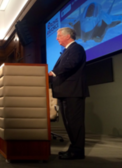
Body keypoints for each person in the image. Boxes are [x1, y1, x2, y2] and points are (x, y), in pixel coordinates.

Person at [48, 27, 89, 160]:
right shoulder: (67, 50)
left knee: (75, 122)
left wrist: (53, 73)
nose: (57, 38)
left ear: (67, 36)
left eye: (59, 35)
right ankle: (73, 149)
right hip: (65, 91)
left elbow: (71, 64)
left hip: (73, 91)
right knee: (68, 122)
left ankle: (77, 151)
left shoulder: (76, 48)